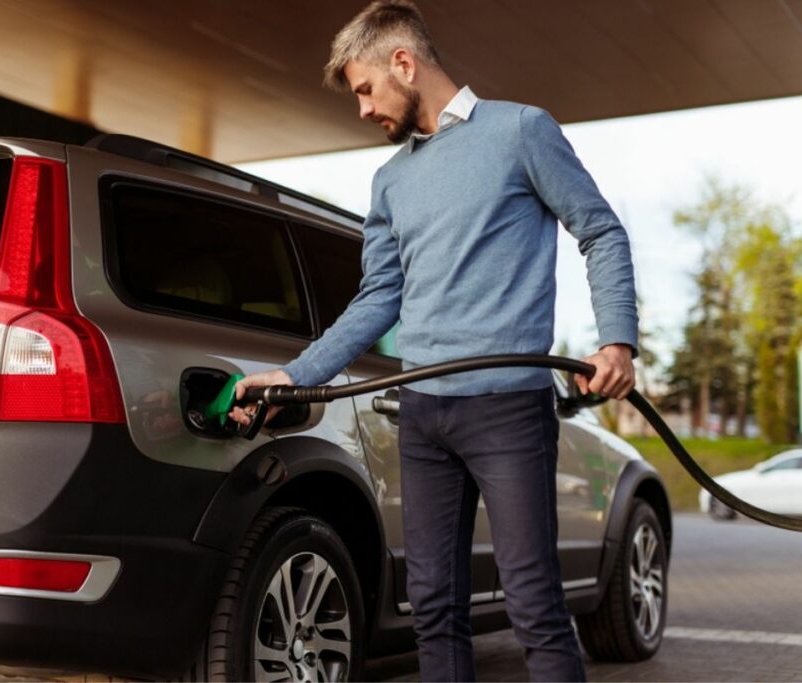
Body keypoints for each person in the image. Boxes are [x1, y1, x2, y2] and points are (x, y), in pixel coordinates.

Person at [229, 1, 638, 680]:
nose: (362, 110)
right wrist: (293, 374)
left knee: (535, 604)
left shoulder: (520, 131)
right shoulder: (390, 180)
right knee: (435, 610)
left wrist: (616, 341)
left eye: (364, 90)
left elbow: (600, 231)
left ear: (403, 62)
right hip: (422, 417)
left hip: (508, 406)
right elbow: (377, 299)